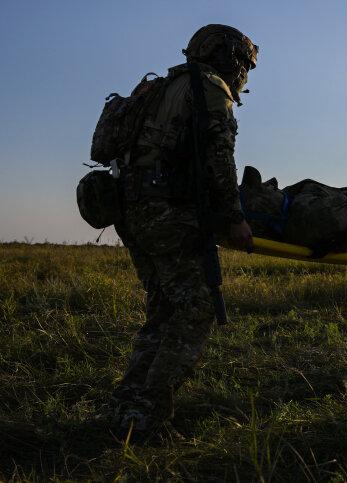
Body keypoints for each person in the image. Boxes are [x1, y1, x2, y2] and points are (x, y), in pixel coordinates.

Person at [106, 24, 258, 440]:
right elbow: (219, 156)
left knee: (163, 310)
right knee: (194, 310)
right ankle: (147, 419)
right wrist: (234, 216)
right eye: (245, 65)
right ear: (230, 58)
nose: (244, 75)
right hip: (168, 213)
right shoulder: (208, 87)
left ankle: (127, 405)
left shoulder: (159, 87)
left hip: (131, 209)